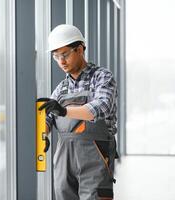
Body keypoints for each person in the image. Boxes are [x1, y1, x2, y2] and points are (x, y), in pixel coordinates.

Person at [39, 24, 118, 200]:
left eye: (65, 55)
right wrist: (42, 133)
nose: (61, 62)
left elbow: (101, 107)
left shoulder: (102, 77)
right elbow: (48, 118)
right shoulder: (60, 89)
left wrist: (64, 111)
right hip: (64, 157)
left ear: (80, 49)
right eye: (56, 57)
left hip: (96, 154)